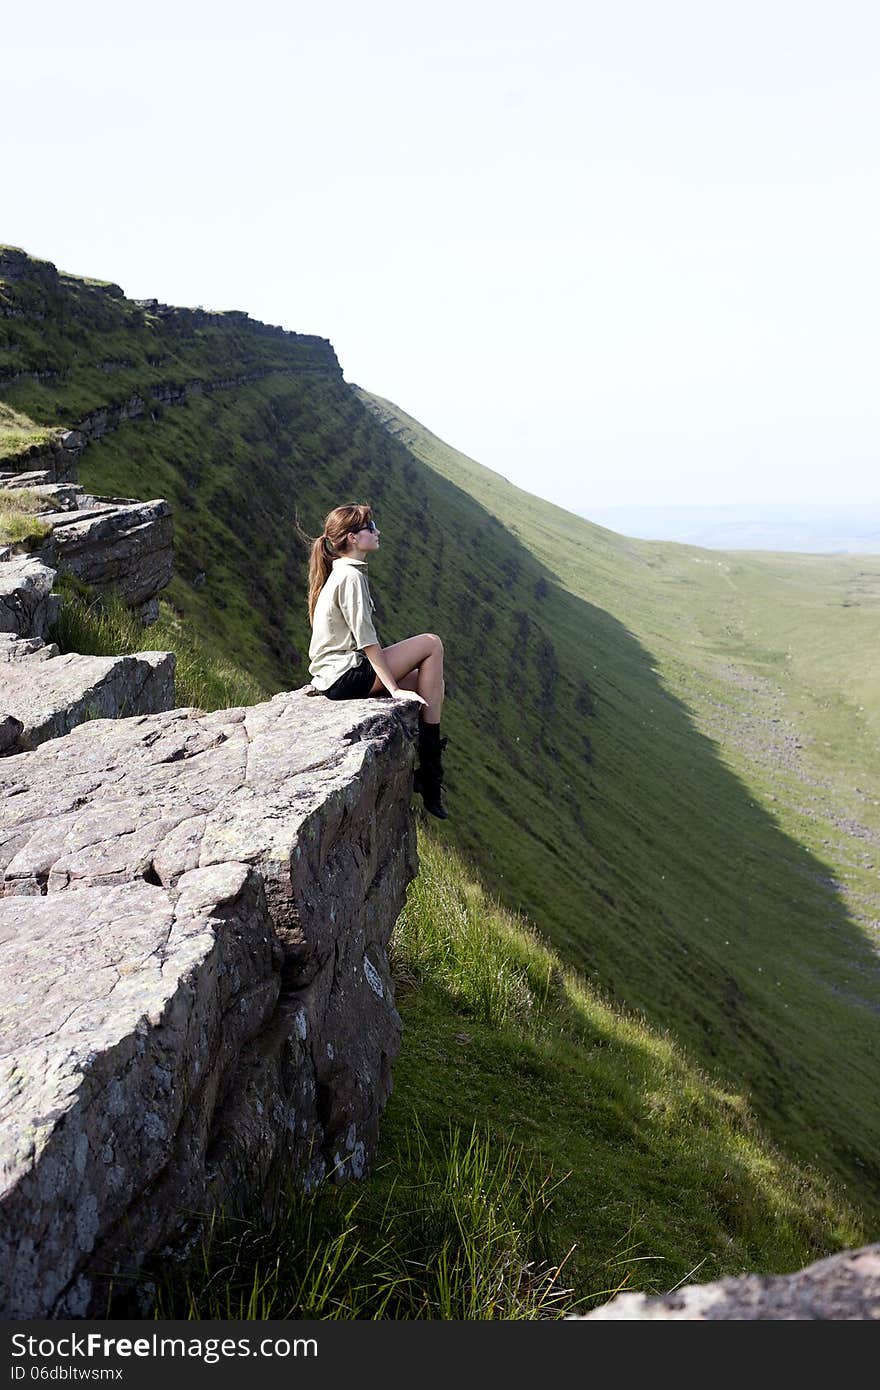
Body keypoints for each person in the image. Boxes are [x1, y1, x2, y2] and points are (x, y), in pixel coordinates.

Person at [306, 503, 448, 819]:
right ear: (353, 538)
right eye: (372, 527)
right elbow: (368, 642)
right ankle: (432, 773)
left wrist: (397, 684)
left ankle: (428, 775)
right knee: (432, 644)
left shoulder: (341, 572)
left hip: (338, 676)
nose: (378, 531)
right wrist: (393, 690)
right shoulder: (351, 577)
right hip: (346, 676)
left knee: (432, 686)